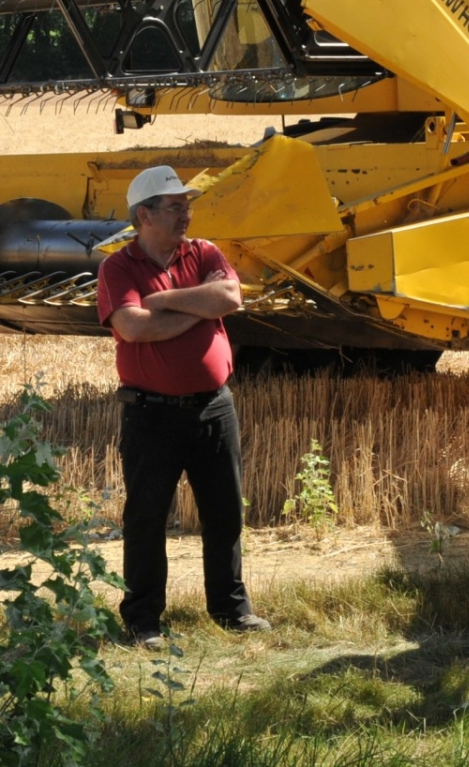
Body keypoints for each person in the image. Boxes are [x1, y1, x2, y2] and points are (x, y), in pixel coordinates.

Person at [96, 164, 272, 649]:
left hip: (215, 408)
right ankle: (143, 621)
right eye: (175, 207)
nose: (186, 215)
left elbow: (230, 297)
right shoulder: (118, 268)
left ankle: (231, 610)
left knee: (224, 513)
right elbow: (134, 328)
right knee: (147, 517)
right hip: (151, 414)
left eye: (187, 206)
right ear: (144, 215)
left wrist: (167, 300)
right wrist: (199, 314)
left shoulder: (205, 252)